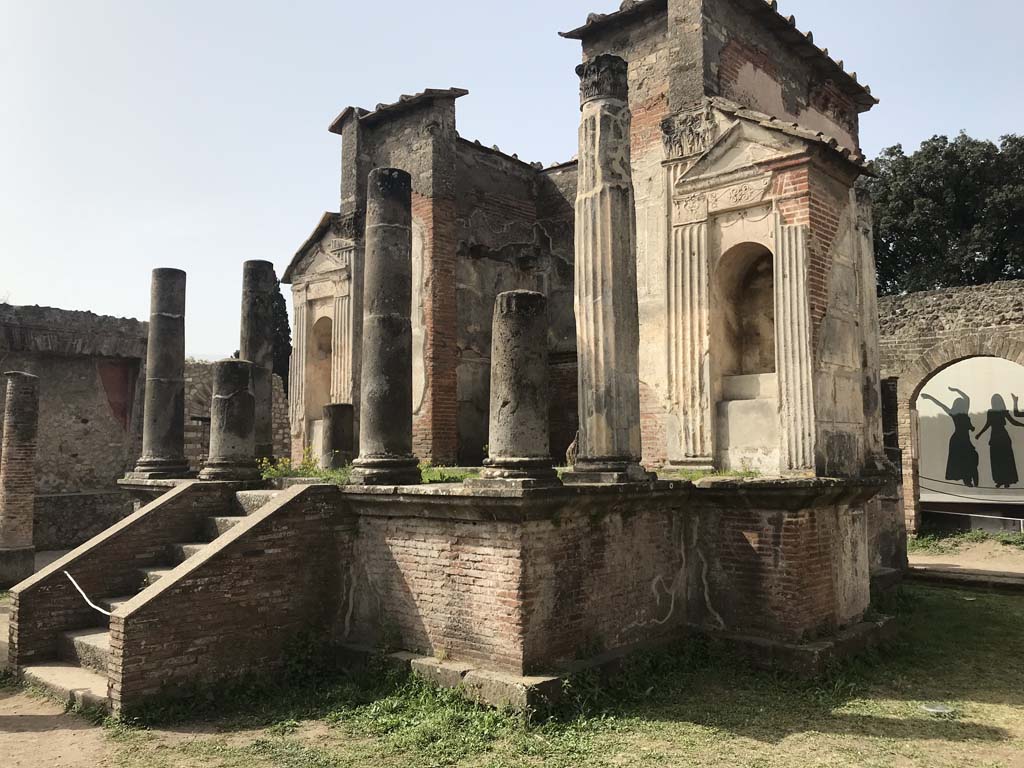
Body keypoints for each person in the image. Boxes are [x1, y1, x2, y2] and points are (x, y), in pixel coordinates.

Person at [921, 386, 979, 487]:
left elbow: (941, 405)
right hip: (961, 440)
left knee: (967, 459)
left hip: (959, 439)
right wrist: (956, 391)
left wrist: (929, 397)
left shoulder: (955, 413)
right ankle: (968, 480)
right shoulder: (963, 413)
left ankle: (969, 480)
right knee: (967, 459)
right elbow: (966, 398)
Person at [975, 394, 1024, 488]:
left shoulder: (997, 412)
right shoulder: (996, 412)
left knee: (999, 460)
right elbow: (988, 424)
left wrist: (979, 434)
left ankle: (1003, 480)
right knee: (1002, 460)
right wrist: (979, 434)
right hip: (999, 437)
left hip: (998, 437)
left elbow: (988, 424)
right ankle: (1002, 480)